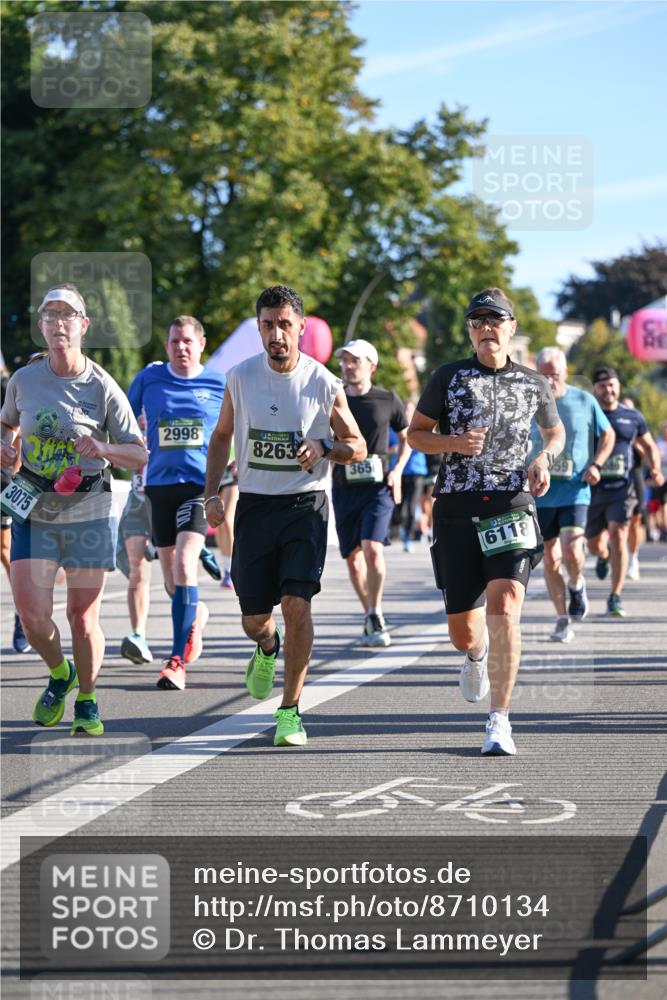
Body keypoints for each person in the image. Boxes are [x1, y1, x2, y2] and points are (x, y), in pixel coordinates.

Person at [204, 284, 366, 748]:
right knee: (254, 618)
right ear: (259, 328)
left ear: (301, 328)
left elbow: (357, 447)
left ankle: (290, 710)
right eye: (268, 325)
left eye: (285, 325)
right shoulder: (239, 376)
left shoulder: (323, 382)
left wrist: (324, 446)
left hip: (304, 506)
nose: (276, 334)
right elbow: (221, 437)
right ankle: (266, 645)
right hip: (255, 505)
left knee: (297, 605)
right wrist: (211, 494)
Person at [407, 288, 565, 757]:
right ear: (470, 331)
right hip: (456, 506)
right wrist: (453, 442)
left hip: (511, 504)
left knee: (506, 605)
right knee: (464, 631)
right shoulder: (448, 376)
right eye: (477, 321)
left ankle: (500, 719)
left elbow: (554, 431)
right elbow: (415, 435)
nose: (486, 328)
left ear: (512, 327)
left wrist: (544, 457)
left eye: (495, 320)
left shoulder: (534, 383)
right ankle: (476, 655)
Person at [0, 283, 146, 735]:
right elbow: (6, 424)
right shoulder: (24, 380)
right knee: (31, 615)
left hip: (88, 507)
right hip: (34, 503)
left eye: (67, 315)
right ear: (41, 325)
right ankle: (59, 673)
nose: (58, 322)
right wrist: (6, 447)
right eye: (50, 315)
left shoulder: (101, 386)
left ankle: (86, 698)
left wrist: (102, 447)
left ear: (83, 325)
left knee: (82, 618)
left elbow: (138, 453)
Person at [127, 316, 227, 690]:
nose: (180, 347)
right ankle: (194, 614)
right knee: (171, 579)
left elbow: (236, 428)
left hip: (199, 487)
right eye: (174, 341)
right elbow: (122, 419)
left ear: (201, 344)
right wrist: (131, 441)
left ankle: (175, 662)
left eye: (187, 341)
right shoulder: (148, 379)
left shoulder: (219, 383)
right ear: (166, 345)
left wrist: (235, 460)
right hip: (158, 486)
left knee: (185, 563)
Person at [530, 348, 614, 642]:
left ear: (565, 373)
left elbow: (608, 434)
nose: (549, 380)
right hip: (540, 493)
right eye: (543, 375)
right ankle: (562, 619)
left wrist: (596, 464)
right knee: (550, 558)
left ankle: (577, 585)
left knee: (571, 549)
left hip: (575, 489)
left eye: (554, 374)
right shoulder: (530, 403)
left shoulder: (584, 400)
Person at [332, 339, 409, 647]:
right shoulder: (333, 400)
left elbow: (408, 438)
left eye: (355, 361)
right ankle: (370, 615)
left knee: (372, 548)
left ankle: (375, 613)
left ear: (371, 366)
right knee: (353, 559)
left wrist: (398, 470)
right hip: (344, 487)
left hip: (379, 486)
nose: (348, 366)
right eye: (345, 360)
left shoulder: (387, 399)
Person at [586, 367, 664, 617]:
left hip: (623, 487)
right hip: (591, 489)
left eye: (612, 385)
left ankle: (615, 596)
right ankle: (603, 555)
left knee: (619, 535)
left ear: (618, 386)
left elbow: (649, 446)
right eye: (602, 386)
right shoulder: (587, 414)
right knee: (593, 544)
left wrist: (655, 468)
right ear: (595, 389)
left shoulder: (632, 416)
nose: (608, 390)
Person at [1, 367, 31, 653]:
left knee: (5, 550)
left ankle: (23, 611)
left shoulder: (6, 384)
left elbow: (18, 428)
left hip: (4, 478)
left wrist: (17, 473)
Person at [389, 402, 429, 553]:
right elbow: (384, 446)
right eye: (405, 409)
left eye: (410, 410)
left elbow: (426, 444)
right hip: (398, 473)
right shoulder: (393, 428)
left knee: (412, 506)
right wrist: (392, 449)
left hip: (416, 472)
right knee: (398, 506)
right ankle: (399, 529)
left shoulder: (419, 428)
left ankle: (408, 537)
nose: (407, 412)